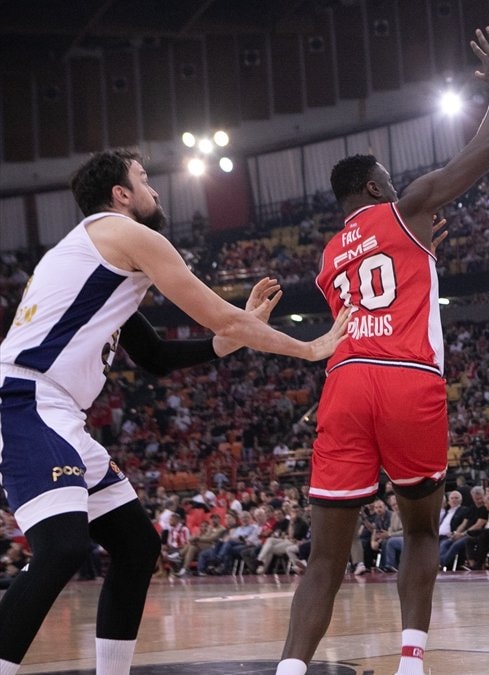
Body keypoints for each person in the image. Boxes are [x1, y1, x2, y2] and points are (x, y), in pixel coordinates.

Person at [0, 149, 347, 675]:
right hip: (26, 398)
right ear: (121, 194)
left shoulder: (98, 262)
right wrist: (308, 348)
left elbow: (157, 357)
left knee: (137, 546)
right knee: (62, 548)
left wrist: (237, 333)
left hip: (58, 411)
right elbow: (220, 319)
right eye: (144, 179)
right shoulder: (128, 234)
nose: (155, 190)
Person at [274, 26, 489, 675]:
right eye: (389, 177)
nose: (397, 181)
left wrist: (423, 254)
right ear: (376, 188)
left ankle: (290, 669)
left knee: (325, 557)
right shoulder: (406, 207)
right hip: (407, 375)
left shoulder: (329, 256)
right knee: (422, 530)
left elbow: (379, 282)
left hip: (347, 380)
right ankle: (411, 663)